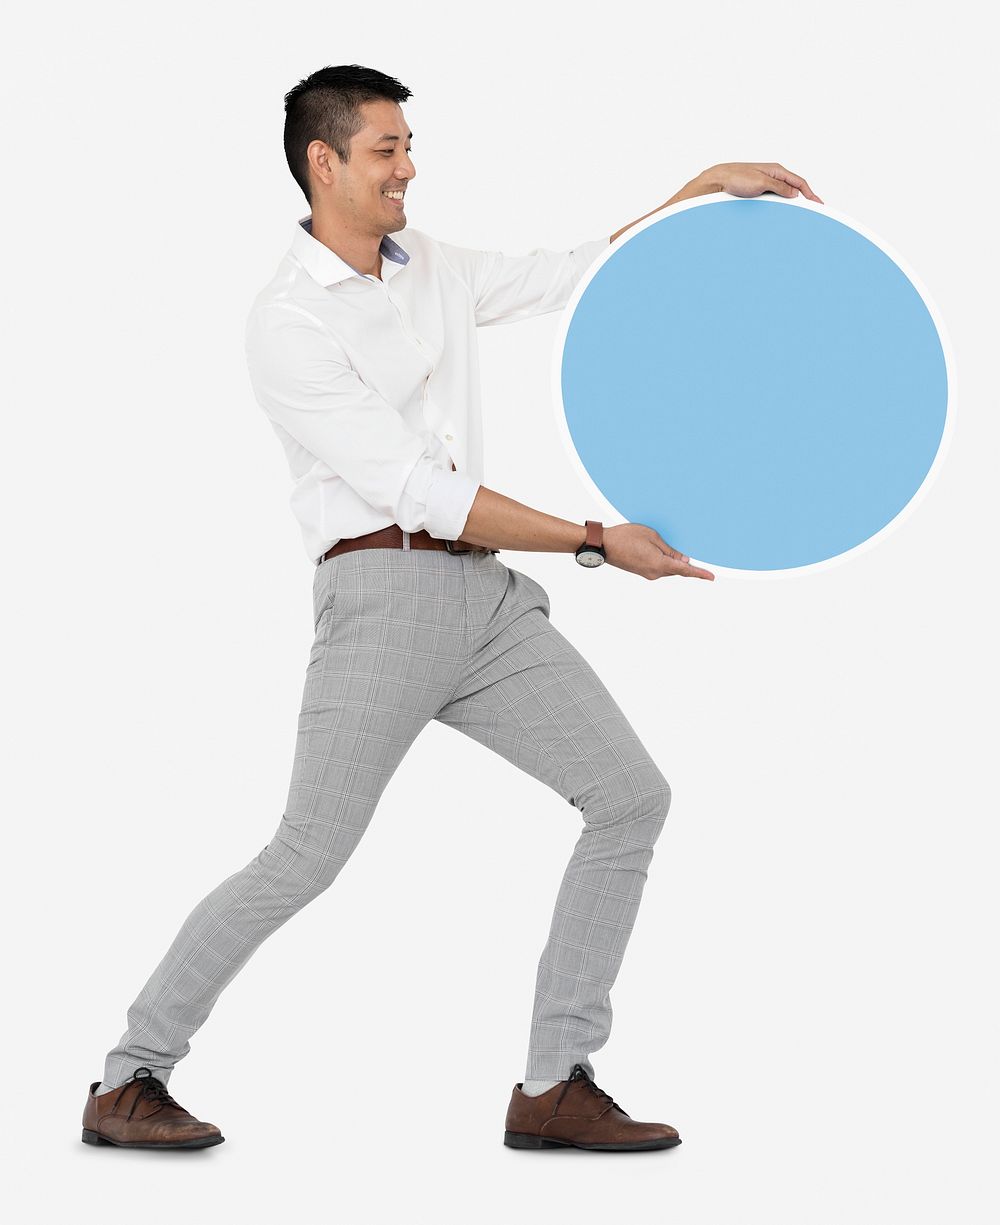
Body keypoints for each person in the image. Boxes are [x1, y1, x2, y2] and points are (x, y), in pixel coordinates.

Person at [81, 64, 821, 1152]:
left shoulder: (425, 264)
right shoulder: (285, 324)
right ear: (321, 161)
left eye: (408, 145)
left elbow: (566, 275)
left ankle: (552, 1081)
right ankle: (129, 1075)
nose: (409, 167)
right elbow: (420, 491)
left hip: (484, 599)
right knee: (305, 855)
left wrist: (690, 196)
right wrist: (590, 539)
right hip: (383, 597)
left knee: (628, 798)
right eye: (386, 149)